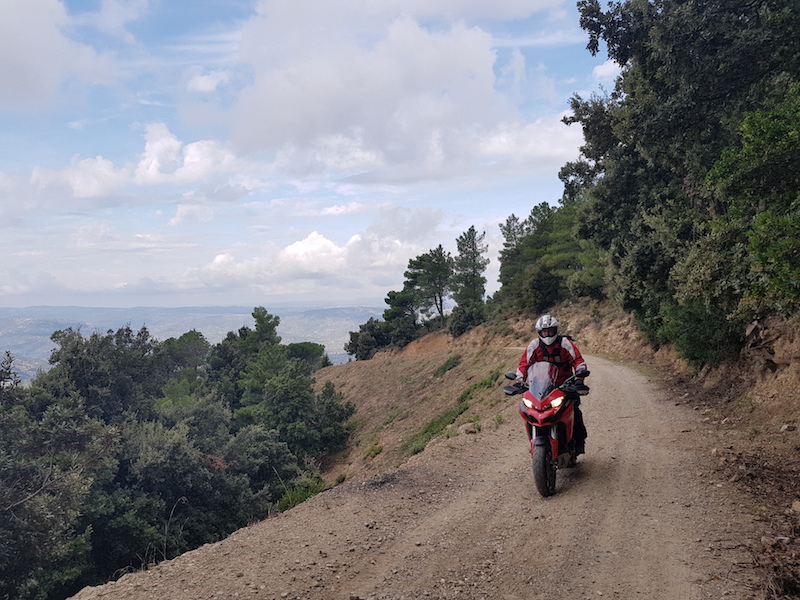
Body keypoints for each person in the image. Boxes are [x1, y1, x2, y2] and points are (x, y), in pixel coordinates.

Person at [515, 314, 590, 454]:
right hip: (542, 387)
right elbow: (524, 365)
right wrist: (518, 380)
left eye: (550, 331)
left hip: (565, 385)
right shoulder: (534, 345)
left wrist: (579, 379)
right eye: (544, 332)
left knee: (574, 412)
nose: (547, 334)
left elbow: (578, 361)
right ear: (539, 332)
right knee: (532, 412)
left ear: (556, 330)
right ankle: (536, 441)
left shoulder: (565, 343)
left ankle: (578, 441)